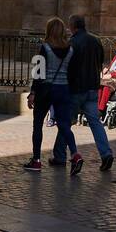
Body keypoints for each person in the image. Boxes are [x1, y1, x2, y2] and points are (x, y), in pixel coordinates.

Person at [50, 15, 114, 172]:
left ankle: (60, 156)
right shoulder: (96, 40)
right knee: (95, 122)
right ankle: (106, 154)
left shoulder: (72, 43)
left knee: (65, 123)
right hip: (92, 87)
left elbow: (67, 67)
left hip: (76, 90)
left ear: (73, 27)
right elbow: (100, 62)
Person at [24, 17, 82, 175]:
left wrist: (33, 93)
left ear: (49, 30)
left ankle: (36, 160)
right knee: (64, 125)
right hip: (64, 90)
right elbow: (73, 73)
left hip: (46, 90)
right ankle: (75, 155)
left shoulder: (45, 48)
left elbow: (39, 72)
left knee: (38, 124)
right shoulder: (70, 49)